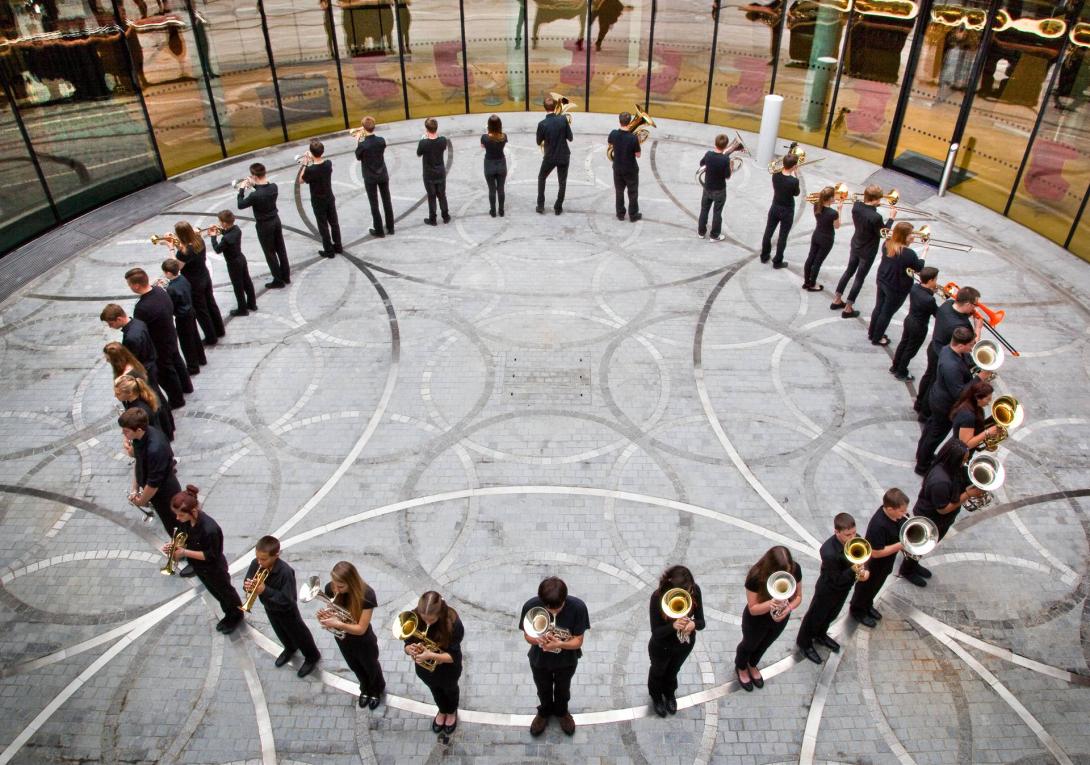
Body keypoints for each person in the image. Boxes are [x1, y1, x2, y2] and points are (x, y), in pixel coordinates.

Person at [900, 440, 983, 586]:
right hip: (932, 519)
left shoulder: (949, 468)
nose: (966, 462)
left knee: (925, 546)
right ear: (954, 459)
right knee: (921, 544)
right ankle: (907, 570)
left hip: (941, 519)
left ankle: (913, 564)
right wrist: (968, 495)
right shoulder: (941, 482)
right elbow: (943, 509)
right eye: (964, 459)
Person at [163, 485, 244, 629]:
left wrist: (184, 552)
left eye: (180, 515)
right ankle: (228, 614)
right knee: (216, 593)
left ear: (193, 511)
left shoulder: (209, 529)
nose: (177, 518)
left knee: (225, 593)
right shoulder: (187, 521)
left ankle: (236, 615)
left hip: (213, 568)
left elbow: (211, 555)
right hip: (199, 567)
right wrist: (173, 546)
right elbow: (183, 537)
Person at [519, 576, 590, 736]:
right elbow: (527, 636)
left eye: (557, 608)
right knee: (542, 688)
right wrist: (539, 641)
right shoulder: (531, 606)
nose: (553, 612)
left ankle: (561, 712)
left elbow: (578, 641)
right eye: (549, 608)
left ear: (565, 598)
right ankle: (543, 712)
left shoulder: (578, 608)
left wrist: (559, 644)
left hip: (566, 661)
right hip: (539, 660)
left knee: (563, 690)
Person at [243, 535, 321, 678]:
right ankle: (290, 648)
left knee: (300, 634)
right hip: (270, 607)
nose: (259, 562)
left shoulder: (286, 572)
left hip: (288, 612)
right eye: (258, 558)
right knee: (280, 631)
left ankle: (312, 656)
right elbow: (248, 580)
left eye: (264, 559)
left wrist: (264, 590)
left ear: (276, 555)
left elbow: (288, 600)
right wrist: (247, 586)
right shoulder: (256, 563)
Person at [796, 513, 866, 664]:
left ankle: (821, 634)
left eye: (854, 532)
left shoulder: (855, 540)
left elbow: (861, 558)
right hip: (828, 590)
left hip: (844, 588)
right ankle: (804, 643)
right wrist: (853, 570)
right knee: (814, 618)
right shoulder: (828, 552)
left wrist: (862, 570)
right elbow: (837, 578)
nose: (853, 537)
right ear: (837, 532)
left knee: (832, 614)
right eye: (848, 535)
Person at [914, 326, 982, 475]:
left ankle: (922, 456)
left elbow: (965, 361)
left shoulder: (948, 349)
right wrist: (979, 378)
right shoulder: (951, 366)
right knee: (935, 435)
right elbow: (959, 393)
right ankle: (922, 466)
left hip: (938, 398)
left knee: (930, 431)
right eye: (971, 345)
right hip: (945, 405)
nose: (972, 348)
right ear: (960, 345)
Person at [318, 561, 386, 709]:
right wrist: (327, 616)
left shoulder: (367, 595)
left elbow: (361, 628)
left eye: (340, 586)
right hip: (344, 639)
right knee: (354, 665)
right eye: (334, 584)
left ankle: (376, 690)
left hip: (363, 641)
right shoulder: (331, 588)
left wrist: (338, 624)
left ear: (351, 582)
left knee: (371, 667)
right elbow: (334, 609)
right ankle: (365, 688)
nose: (335, 589)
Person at [734, 546, 803, 691]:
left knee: (765, 644)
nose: (787, 574)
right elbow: (753, 609)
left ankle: (752, 664)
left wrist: (788, 608)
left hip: (780, 617)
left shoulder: (794, 570)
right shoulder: (755, 577)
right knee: (749, 645)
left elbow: (798, 596)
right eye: (781, 572)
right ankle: (741, 667)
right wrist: (771, 603)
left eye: (788, 571)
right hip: (756, 620)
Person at [124, 269, 194, 407]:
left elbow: (141, 329)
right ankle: (187, 386)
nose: (130, 287)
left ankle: (177, 400)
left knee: (167, 371)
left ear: (136, 285)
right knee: (177, 360)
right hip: (170, 333)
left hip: (159, 342)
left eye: (129, 284)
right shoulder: (160, 291)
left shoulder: (141, 308)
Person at [914, 286, 981, 419]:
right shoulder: (961, 326)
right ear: (967, 304)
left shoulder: (947, 304)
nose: (975, 308)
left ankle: (919, 403)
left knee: (928, 377)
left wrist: (969, 313)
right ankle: (924, 413)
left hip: (934, 348)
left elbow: (957, 313)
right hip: (943, 355)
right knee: (934, 383)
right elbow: (972, 343)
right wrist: (978, 328)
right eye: (974, 305)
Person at [829, 185, 895, 319]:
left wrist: (874, 205)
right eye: (879, 199)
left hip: (856, 244)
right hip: (868, 250)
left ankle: (837, 299)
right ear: (875, 199)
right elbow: (884, 233)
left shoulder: (856, 206)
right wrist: (891, 219)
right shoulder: (876, 217)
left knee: (848, 271)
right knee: (859, 278)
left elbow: (865, 210)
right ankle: (848, 308)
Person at [402, 591, 464, 734]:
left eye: (431, 620)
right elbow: (407, 641)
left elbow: (452, 656)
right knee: (435, 690)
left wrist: (431, 654)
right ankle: (442, 710)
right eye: (424, 619)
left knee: (451, 691)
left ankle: (451, 711)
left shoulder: (453, 623)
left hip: (448, 670)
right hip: (426, 669)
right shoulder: (414, 618)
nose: (427, 623)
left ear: (440, 614)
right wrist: (408, 649)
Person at [647, 565, 704, 716]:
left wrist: (693, 624)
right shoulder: (657, 598)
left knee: (673, 671)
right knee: (657, 672)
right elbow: (656, 632)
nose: (691, 593)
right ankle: (656, 697)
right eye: (687, 591)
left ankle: (669, 693)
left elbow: (701, 622)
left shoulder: (694, 591)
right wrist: (673, 626)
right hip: (661, 647)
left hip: (684, 645)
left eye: (690, 590)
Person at [849, 488, 910, 627]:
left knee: (876, 586)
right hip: (874, 565)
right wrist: (901, 545)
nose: (904, 513)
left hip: (886, 562)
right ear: (889, 509)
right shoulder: (878, 525)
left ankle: (867, 605)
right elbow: (876, 552)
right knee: (865, 589)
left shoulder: (896, 516)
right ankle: (857, 611)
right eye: (901, 511)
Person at [119, 407, 180, 534]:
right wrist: (134, 488)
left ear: (139, 430)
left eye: (126, 431)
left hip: (164, 493)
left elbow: (153, 484)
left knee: (173, 525)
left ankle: (182, 551)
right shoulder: (139, 438)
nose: (123, 434)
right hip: (153, 489)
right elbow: (139, 461)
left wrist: (142, 501)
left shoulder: (154, 449)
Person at [867, 221, 925, 346]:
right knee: (887, 312)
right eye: (911, 235)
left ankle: (872, 332)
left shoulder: (887, 243)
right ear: (904, 236)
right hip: (896, 287)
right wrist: (925, 252)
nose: (913, 237)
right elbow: (919, 267)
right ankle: (877, 337)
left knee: (879, 307)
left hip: (882, 279)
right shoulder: (909, 254)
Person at [169, 222, 225, 346]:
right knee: (211, 303)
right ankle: (220, 330)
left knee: (201, 310)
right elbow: (187, 251)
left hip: (194, 283)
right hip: (204, 276)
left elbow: (176, 267)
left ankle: (211, 337)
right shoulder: (199, 240)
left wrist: (171, 248)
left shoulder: (184, 252)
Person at [237, 163, 291, 288]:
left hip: (264, 225)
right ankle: (286, 275)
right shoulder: (274, 187)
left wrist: (241, 189)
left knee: (270, 253)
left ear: (255, 176)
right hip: (276, 220)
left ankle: (278, 280)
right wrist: (254, 184)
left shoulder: (255, 195)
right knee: (281, 249)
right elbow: (264, 189)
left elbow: (241, 205)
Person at [100, 305, 164, 400]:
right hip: (150, 363)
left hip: (145, 369)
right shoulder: (138, 323)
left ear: (119, 319)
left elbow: (131, 358)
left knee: (153, 397)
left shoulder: (131, 338)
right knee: (156, 393)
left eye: (111, 323)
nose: (110, 326)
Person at [890, 266, 939, 381]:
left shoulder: (915, 287)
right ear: (931, 280)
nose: (936, 281)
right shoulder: (929, 299)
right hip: (919, 326)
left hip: (909, 320)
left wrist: (931, 292)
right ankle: (901, 372)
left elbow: (924, 295)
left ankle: (895, 366)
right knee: (910, 350)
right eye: (935, 279)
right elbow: (937, 313)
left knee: (903, 344)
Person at [160, 258, 206, 376]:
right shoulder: (183, 279)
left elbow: (171, 304)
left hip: (182, 316)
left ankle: (192, 367)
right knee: (195, 336)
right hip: (190, 311)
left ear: (169, 273)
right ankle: (201, 358)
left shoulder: (171, 289)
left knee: (186, 343)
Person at [298, 140, 342, 257]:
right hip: (329, 197)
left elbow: (301, 180)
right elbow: (321, 161)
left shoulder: (310, 170)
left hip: (318, 201)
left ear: (312, 153)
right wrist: (313, 157)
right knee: (334, 223)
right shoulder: (328, 164)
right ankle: (338, 245)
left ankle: (328, 250)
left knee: (323, 226)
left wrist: (305, 163)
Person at [210, 210, 257, 316]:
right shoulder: (236, 229)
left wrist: (213, 237)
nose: (219, 223)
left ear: (225, 223)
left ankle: (242, 309)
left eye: (220, 222)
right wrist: (221, 231)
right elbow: (229, 234)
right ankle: (252, 304)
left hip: (233, 263)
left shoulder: (226, 239)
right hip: (241, 258)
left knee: (238, 286)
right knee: (247, 282)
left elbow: (217, 249)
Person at [355, 117, 396, 237]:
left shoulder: (363, 144)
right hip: (382, 174)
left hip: (370, 177)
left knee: (374, 204)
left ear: (363, 128)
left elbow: (358, 156)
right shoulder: (381, 140)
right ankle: (391, 227)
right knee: (387, 201)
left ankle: (379, 230)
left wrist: (358, 141)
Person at [758, 153, 799, 268]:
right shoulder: (794, 181)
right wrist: (795, 174)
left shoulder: (775, 175)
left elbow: (781, 175)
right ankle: (777, 261)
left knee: (768, 232)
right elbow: (796, 193)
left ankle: (764, 255)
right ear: (794, 166)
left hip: (775, 206)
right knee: (783, 236)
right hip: (787, 210)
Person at [536, 95, 573, 215]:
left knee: (542, 178)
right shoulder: (563, 119)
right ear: (556, 106)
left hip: (550, 156)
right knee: (562, 182)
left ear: (545, 108)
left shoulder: (542, 124)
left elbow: (538, 142)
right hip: (563, 155)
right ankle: (558, 207)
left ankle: (541, 205)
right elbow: (570, 138)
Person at [801, 186, 843, 291]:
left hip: (816, 235)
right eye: (834, 196)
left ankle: (806, 282)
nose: (835, 197)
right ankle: (812, 284)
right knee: (817, 262)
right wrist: (839, 210)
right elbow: (837, 226)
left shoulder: (816, 205)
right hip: (827, 239)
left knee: (810, 258)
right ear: (830, 199)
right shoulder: (833, 213)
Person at [697, 134, 737, 242]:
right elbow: (727, 176)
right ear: (726, 146)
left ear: (715, 143)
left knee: (704, 210)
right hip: (719, 190)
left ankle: (701, 232)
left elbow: (701, 164)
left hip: (707, 188)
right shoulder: (725, 160)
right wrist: (731, 166)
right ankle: (714, 236)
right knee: (717, 213)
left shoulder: (709, 154)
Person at [114, 374, 174, 442]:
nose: (115, 396)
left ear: (130, 393)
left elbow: (140, 432)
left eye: (118, 394)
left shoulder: (140, 409)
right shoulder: (133, 399)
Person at [608, 111, 641, 222]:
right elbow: (638, 155)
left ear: (619, 121)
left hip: (617, 168)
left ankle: (620, 214)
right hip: (630, 169)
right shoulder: (633, 138)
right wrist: (638, 142)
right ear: (630, 121)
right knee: (633, 193)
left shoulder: (613, 133)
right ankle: (633, 215)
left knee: (619, 191)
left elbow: (610, 143)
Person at [417, 118, 451, 226]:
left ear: (426, 129)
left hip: (429, 173)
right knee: (442, 194)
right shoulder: (442, 140)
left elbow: (418, 153)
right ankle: (445, 216)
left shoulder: (424, 143)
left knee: (431, 196)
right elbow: (442, 148)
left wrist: (422, 140)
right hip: (440, 171)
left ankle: (433, 219)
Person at [481, 114, 508, 218]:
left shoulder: (484, 138)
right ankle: (501, 210)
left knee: (492, 189)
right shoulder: (504, 137)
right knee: (501, 189)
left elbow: (483, 146)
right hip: (501, 163)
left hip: (489, 164)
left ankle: (493, 211)